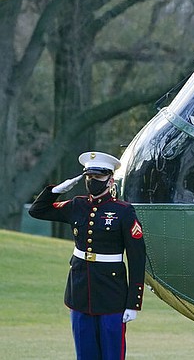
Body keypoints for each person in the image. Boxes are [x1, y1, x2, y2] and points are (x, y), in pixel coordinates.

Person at [29, 151, 146, 360]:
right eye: (89, 177)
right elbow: (37, 211)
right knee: (85, 355)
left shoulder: (124, 211)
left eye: (98, 177)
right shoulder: (77, 205)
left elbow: (137, 259)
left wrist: (133, 302)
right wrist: (55, 190)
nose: (92, 181)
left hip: (112, 295)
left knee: (112, 354)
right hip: (80, 293)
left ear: (110, 179)